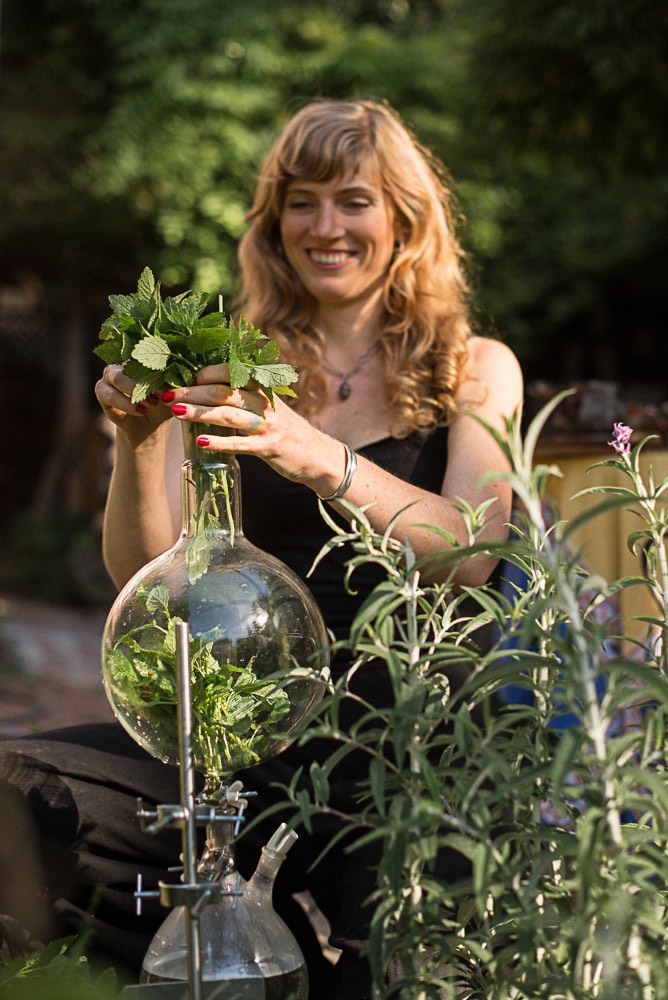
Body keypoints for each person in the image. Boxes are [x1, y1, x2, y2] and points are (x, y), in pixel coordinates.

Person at [0, 99, 522, 997]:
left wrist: (310, 450)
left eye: (353, 200)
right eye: (301, 200)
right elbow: (147, 575)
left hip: (414, 745)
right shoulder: (237, 358)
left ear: (404, 216)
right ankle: (262, 947)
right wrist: (138, 439)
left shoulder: (472, 365)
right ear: (274, 221)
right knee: (19, 798)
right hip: (246, 738)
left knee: (405, 975)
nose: (326, 227)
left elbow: (470, 550)